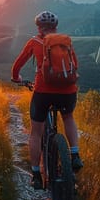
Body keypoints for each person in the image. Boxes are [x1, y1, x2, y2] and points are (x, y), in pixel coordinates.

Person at [11, 11, 84, 190]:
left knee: (36, 132)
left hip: (43, 92)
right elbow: (75, 64)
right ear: (55, 27)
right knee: (68, 118)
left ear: (38, 27)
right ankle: (74, 155)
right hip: (67, 91)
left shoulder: (34, 42)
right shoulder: (65, 42)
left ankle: (36, 174)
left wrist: (17, 78)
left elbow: (17, 65)